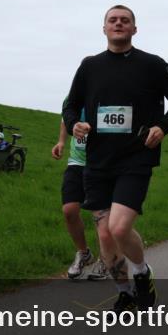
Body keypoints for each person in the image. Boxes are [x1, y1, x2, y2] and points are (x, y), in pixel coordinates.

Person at [64, 5, 168, 313]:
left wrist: (162, 126)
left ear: (134, 29)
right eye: (112, 20)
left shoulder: (153, 65)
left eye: (125, 20)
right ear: (104, 28)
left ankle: (142, 273)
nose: (118, 24)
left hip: (136, 158)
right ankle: (124, 292)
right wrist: (74, 124)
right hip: (97, 161)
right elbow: (71, 105)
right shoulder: (89, 66)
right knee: (105, 235)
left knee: (119, 228)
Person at [52, 98, 109, 280]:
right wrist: (61, 142)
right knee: (69, 210)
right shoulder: (73, 97)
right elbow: (65, 119)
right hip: (76, 162)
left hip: (100, 164)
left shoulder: (105, 95)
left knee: (100, 216)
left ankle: (105, 259)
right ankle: (83, 253)